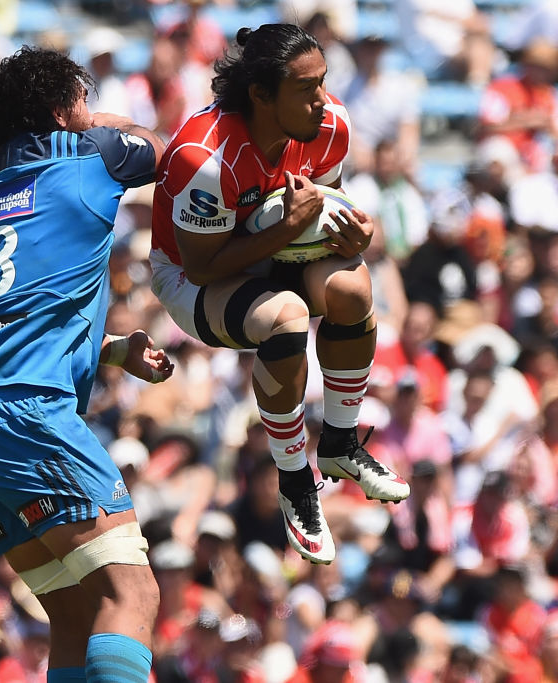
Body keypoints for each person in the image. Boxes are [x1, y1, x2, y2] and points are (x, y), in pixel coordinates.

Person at [0, 46, 173, 682]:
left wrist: (109, 350)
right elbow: (166, 151)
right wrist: (99, 123)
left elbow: (17, 313)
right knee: (133, 596)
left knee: (75, 612)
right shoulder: (87, 157)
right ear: (65, 110)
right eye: (83, 101)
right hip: (30, 414)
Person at [149, 23, 410, 566]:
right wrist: (284, 231)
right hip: (192, 277)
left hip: (271, 249)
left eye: (323, 83)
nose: (322, 100)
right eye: (305, 88)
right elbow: (201, 266)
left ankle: (340, 445)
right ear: (260, 95)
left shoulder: (331, 125)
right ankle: (294, 480)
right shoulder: (204, 157)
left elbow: (325, 207)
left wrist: (357, 237)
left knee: (354, 285)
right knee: (286, 315)